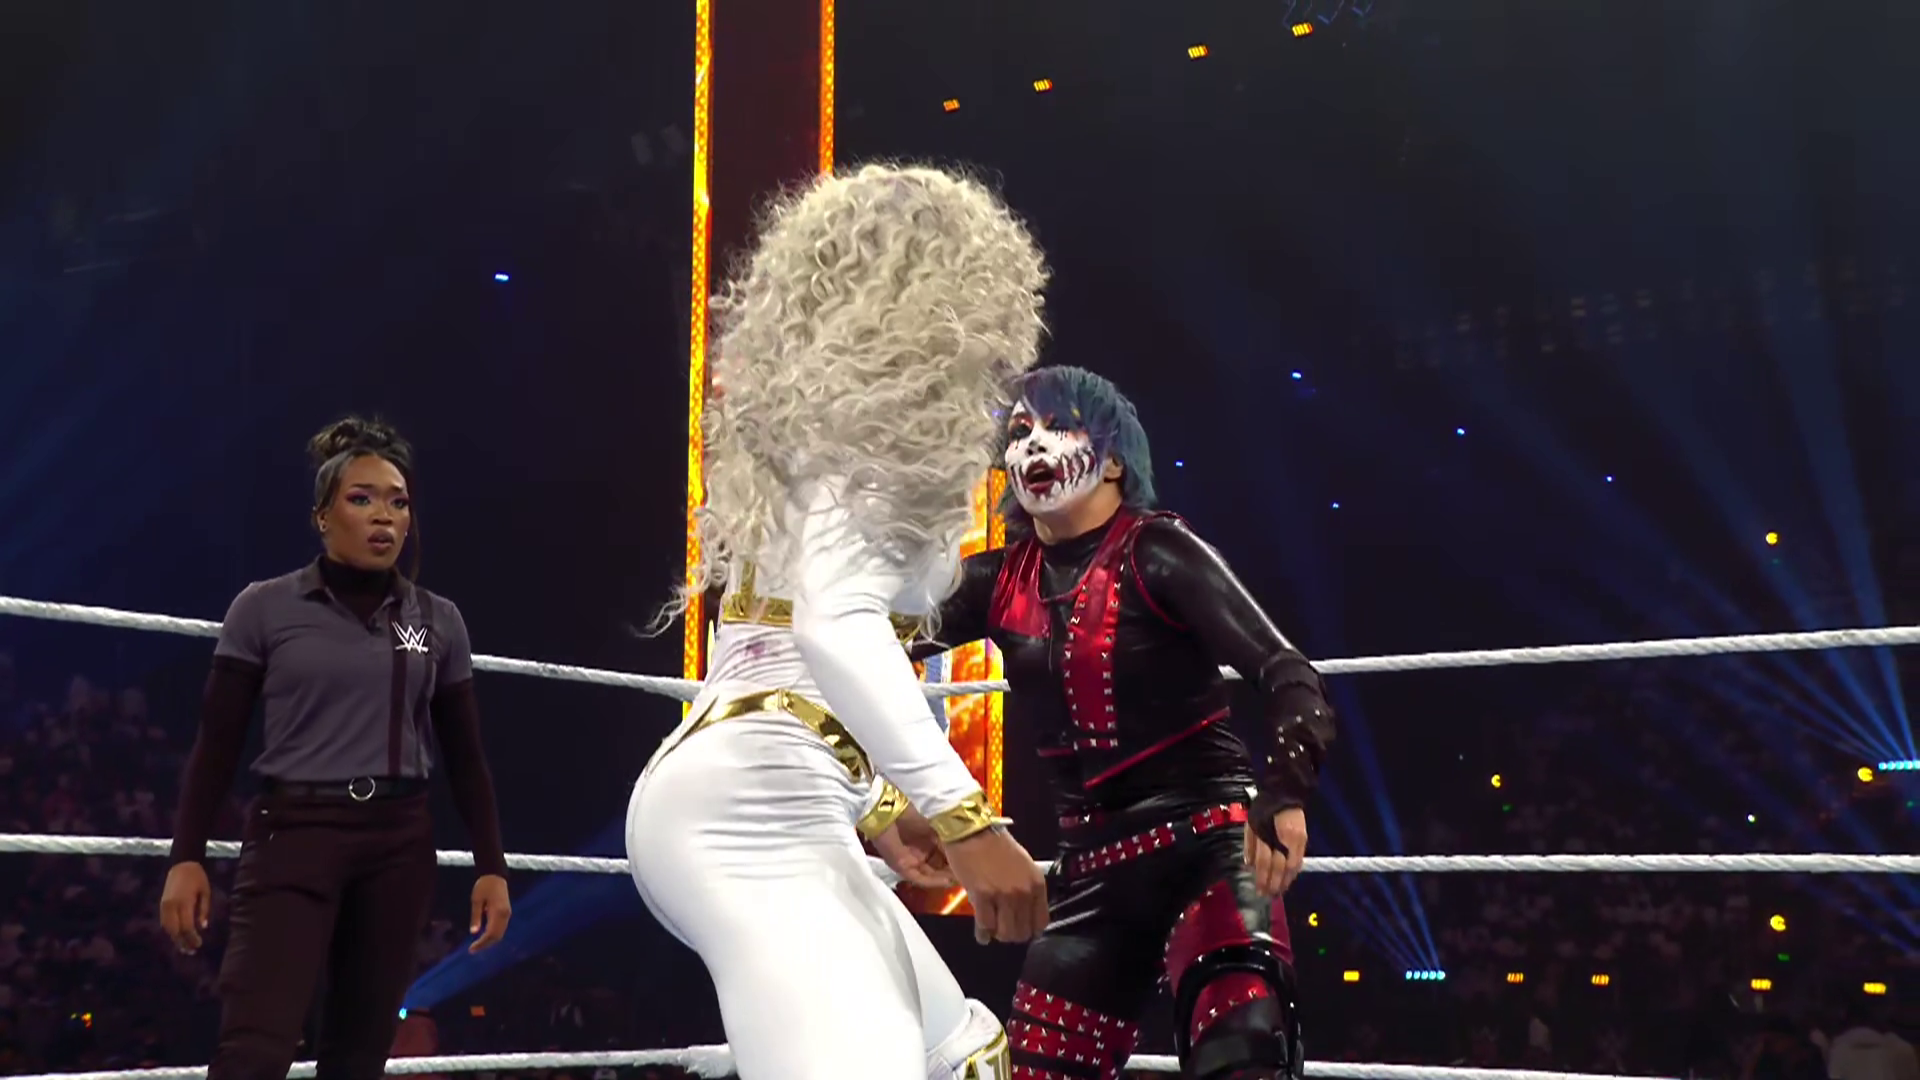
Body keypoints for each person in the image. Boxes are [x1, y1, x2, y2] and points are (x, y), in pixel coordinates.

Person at [627, 163, 1052, 1080]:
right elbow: (832, 625)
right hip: (749, 817)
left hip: (768, 791)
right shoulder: (864, 448)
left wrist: (881, 805)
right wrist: (968, 819)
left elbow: (772, 650)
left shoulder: (820, 432)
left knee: (963, 1054)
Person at [918, 365, 1337, 1080]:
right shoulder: (997, 580)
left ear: (1113, 462)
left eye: (1059, 426)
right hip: (1089, 875)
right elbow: (864, 639)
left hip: (1205, 850)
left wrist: (1286, 790)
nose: (1034, 445)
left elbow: (1287, 672)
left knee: (1246, 1056)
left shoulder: (1158, 550)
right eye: (1020, 431)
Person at [161, 417, 512, 1080]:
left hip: (397, 841)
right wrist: (186, 856)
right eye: (362, 498)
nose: (384, 515)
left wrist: (491, 865)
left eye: (398, 502)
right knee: (254, 1047)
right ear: (322, 516)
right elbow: (217, 745)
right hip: (294, 832)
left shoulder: (439, 620)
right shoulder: (263, 609)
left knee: (359, 1054)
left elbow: (466, 757)